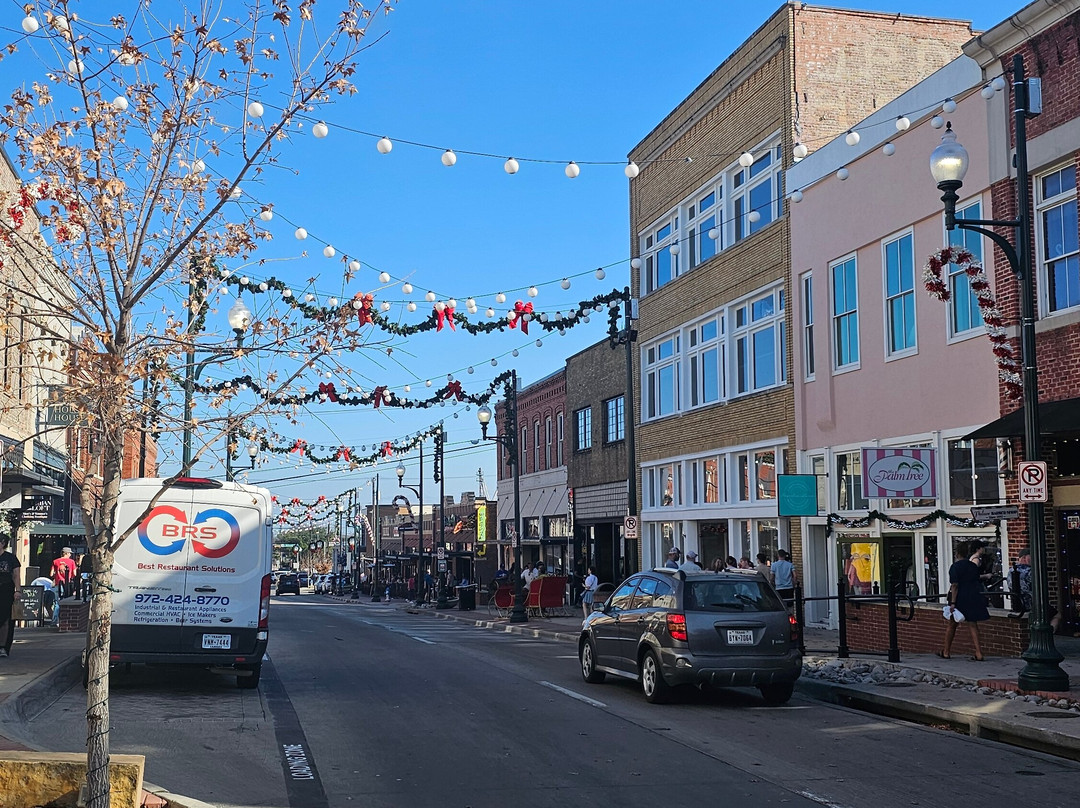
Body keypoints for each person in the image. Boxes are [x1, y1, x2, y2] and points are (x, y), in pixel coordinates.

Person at [940, 541, 989, 661]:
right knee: (973, 624)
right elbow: (976, 579)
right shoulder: (973, 566)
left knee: (952, 624)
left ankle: (946, 651)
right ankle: (979, 652)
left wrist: (953, 602)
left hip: (959, 598)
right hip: (973, 596)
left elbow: (955, 585)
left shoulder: (955, 567)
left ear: (957, 554)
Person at [1012, 548, 1063, 632]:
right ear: (1024, 557)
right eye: (1031, 556)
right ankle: (1048, 634)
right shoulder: (1031, 571)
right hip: (1034, 604)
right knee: (1057, 615)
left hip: (1018, 604)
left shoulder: (1011, 571)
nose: (1033, 559)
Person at [0, 536, 21, 657]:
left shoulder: (10, 558)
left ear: (3, 543)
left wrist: (17, 590)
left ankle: (3, 646)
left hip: (6, 590)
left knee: (5, 618)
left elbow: (16, 575)